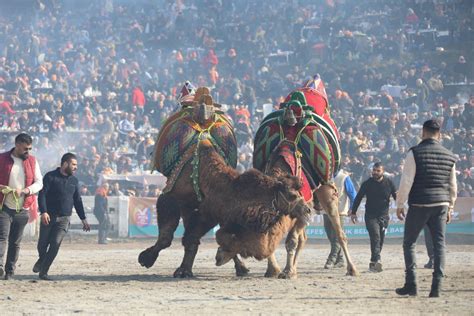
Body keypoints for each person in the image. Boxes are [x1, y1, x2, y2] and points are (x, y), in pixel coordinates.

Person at [395, 119, 457, 298]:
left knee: (409, 243)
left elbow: (406, 181)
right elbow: (453, 185)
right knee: (439, 245)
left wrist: (400, 204)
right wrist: (451, 206)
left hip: (419, 204)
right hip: (441, 205)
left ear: (423, 132)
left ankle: (412, 284)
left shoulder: (414, 152)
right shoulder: (449, 155)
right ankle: (437, 287)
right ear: (439, 134)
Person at [33, 153, 91, 280]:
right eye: (74, 164)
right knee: (42, 245)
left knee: (55, 243)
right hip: (48, 217)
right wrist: (43, 212)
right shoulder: (50, 177)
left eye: (76, 165)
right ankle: (42, 259)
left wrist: (84, 219)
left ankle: (44, 271)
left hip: (64, 219)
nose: (76, 167)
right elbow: (42, 195)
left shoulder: (74, 181)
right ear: (65, 163)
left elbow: (77, 201)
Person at [0, 133, 43, 280]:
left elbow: (39, 183)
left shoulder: (32, 161)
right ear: (17, 144)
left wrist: (25, 191)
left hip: (23, 208)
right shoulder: (2, 158)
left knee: (15, 242)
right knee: (2, 237)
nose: (28, 152)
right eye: (25, 148)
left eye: (30, 148)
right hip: (3, 206)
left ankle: (10, 271)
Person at [350, 162, 397, 272]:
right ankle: (378, 260)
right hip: (370, 216)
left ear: (383, 171)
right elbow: (358, 198)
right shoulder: (367, 183)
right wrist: (353, 212)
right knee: (375, 236)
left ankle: (373, 261)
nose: (375, 172)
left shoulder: (389, 182)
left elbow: (396, 197)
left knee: (380, 239)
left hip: (384, 216)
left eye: (378, 171)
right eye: (374, 170)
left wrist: (400, 208)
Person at [323, 169, 357, 269]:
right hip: (326, 211)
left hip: (339, 211)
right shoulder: (324, 176)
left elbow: (352, 194)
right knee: (330, 236)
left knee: (338, 236)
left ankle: (332, 259)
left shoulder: (344, 177)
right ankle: (340, 259)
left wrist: (352, 209)